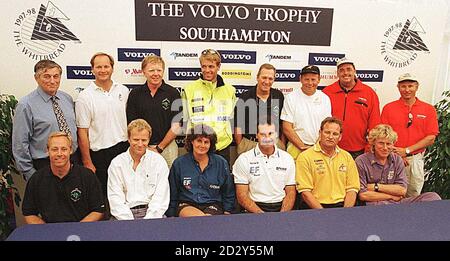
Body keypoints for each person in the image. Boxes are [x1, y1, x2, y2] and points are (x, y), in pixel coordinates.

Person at [12, 60, 79, 180]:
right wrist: (30, 174)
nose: (52, 81)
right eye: (47, 76)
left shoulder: (67, 99)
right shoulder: (26, 105)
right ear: (36, 78)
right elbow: (20, 144)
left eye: (56, 76)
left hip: (72, 161)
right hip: (43, 164)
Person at [75, 52, 130, 196]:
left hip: (123, 149)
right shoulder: (85, 97)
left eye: (106, 66)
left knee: (126, 191)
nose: (103, 70)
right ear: (92, 70)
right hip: (99, 155)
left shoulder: (123, 91)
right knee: (104, 195)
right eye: (98, 67)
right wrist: (87, 161)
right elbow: (82, 132)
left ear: (112, 68)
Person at [22, 132, 105, 223]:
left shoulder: (87, 176)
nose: (59, 153)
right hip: (50, 233)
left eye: (64, 149)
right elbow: (29, 213)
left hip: (82, 229)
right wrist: (46, 231)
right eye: (54, 149)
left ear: (71, 150)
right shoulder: (37, 179)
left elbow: (98, 210)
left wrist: (78, 228)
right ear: (47, 151)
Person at [381, 73, 439, 197]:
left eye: (410, 86)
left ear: (417, 87)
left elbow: (431, 137)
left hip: (415, 159)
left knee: (413, 196)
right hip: (391, 158)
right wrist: (397, 154)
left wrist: (406, 151)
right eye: (403, 86)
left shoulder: (428, 109)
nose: (407, 90)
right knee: (390, 195)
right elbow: (383, 135)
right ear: (398, 87)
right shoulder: (388, 108)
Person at [355, 124, 441, 205]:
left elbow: (402, 190)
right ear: (373, 143)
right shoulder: (361, 161)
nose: (385, 148)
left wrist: (376, 187)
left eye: (388, 144)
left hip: (398, 203)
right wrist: (391, 196)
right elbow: (363, 195)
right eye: (381, 143)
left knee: (433, 197)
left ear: (393, 144)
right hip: (375, 204)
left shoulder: (397, 159)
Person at [166, 124, 235, 217]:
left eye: (206, 142)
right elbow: (172, 192)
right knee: (200, 219)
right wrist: (171, 215)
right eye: (199, 141)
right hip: (187, 205)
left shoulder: (221, 163)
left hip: (213, 205)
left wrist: (228, 211)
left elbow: (228, 191)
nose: (202, 145)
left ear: (211, 144)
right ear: (191, 141)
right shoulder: (179, 163)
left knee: (207, 220)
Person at [182, 49, 236, 164]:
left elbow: (232, 118)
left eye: (211, 66)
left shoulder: (230, 90)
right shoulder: (189, 89)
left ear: (218, 66)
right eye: (204, 66)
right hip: (197, 146)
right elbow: (185, 119)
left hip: (221, 147)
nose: (207, 70)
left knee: (221, 182)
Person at [126, 55, 182, 168]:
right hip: (140, 145)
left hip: (167, 147)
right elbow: (132, 125)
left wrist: (159, 147)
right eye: (151, 70)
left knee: (169, 181)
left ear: (163, 71)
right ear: (144, 72)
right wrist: (144, 145)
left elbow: (178, 125)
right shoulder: (135, 94)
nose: (155, 74)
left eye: (159, 70)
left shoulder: (173, 93)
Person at [108, 119, 170, 220]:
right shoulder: (117, 163)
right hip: (123, 214)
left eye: (144, 140)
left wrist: (148, 221)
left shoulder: (158, 161)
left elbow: (161, 197)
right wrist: (131, 223)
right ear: (128, 138)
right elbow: (115, 199)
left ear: (149, 139)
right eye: (136, 140)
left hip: (153, 213)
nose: (140, 144)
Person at [233, 117, 296, 213]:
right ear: (256, 135)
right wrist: (262, 216)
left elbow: (291, 192)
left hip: (281, 207)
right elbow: (242, 195)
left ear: (276, 135)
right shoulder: (244, 159)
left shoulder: (287, 158)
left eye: (270, 134)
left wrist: (282, 215)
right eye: (263, 134)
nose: (267, 138)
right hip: (254, 207)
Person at [322, 57, 381, 159]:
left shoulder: (369, 93)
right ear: (337, 74)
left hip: (359, 151)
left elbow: (374, 124)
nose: (345, 73)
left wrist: (370, 146)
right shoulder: (327, 92)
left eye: (349, 69)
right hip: (331, 148)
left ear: (355, 71)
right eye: (341, 70)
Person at [296, 117, 360, 209]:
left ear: (340, 137)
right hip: (314, 208)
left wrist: (345, 212)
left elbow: (352, 189)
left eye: (335, 134)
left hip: (342, 207)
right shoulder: (305, 157)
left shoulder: (347, 157)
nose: (330, 137)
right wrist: (324, 214)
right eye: (327, 132)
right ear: (320, 133)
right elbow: (305, 192)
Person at [234, 63, 285, 155]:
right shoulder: (245, 97)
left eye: (270, 78)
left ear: (274, 80)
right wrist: (241, 145)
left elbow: (283, 123)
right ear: (257, 77)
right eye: (264, 77)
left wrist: (282, 143)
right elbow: (238, 126)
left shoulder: (278, 96)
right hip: (250, 143)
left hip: (274, 143)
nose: (267, 81)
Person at [281, 65, 331, 160]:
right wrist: (302, 146)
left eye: (313, 79)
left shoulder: (325, 98)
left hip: (319, 148)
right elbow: (287, 127)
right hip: (295, 148)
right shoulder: (291, 98)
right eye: (306, 79)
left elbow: (327, 126)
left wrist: (316, 147)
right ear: (300, 79)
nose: (310, 83)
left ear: (319, 79)